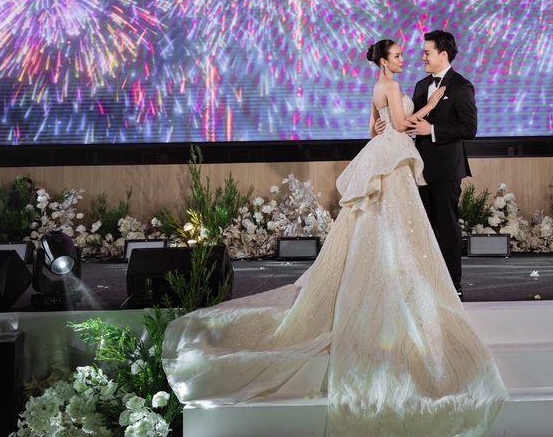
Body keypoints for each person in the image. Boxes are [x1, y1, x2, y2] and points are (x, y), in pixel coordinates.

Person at [162, 39, 506, 436]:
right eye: (399, 55)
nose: (411, 57)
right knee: (400, 226)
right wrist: (426, 109)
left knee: (411, 227)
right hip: (395, 162)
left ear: (443, 53)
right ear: (384, 61)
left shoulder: (428, 85)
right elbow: (397, 125)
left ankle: (437, 282)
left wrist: (395, 125)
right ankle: (406, 283)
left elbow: (383, 126)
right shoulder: (404, 86)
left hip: (413, 162)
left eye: (422, 51)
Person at [406, 29, 476, 300]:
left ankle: (453, 285)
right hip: (420, 168)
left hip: (447, 169)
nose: (423, 57)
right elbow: (413, 121)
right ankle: (429, 283)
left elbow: (469, 128)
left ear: (443, 55)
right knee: (425, 228)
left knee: (447, 227)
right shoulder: (420, 86)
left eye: (427, 52)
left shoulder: (461, 86)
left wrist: (432, 130)